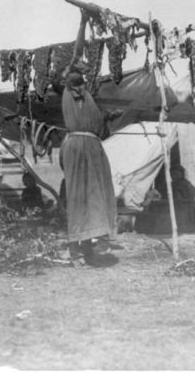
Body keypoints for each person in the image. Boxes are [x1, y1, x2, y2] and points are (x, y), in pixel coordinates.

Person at [59, 69, 117, 263]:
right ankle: (75, 251)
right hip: (77, 147)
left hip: (92, 148)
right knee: (77, 198)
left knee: (94, 197)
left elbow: (100, 128)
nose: (79, 87)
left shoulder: (89, 99)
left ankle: (87, 248)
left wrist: (107, 118)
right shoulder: (66, 94)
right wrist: (71, 67)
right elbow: (66, 80)